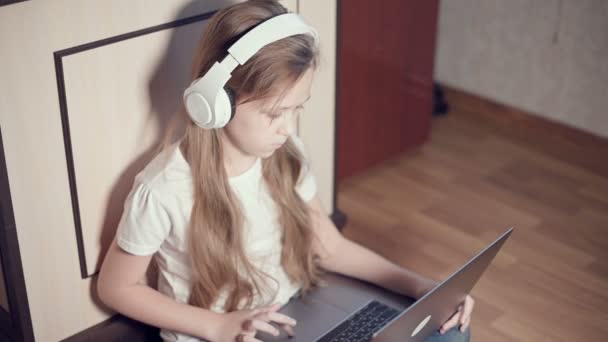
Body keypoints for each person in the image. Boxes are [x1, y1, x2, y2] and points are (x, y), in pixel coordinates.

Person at [96, 1, 474, 341]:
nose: (289, 129)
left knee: (450, 333)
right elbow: (117, 287)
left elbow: (328, 246)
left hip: (292, 315)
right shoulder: (163, 190)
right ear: (215, 104)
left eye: (298, 109)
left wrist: (419, 287)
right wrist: (218, 326)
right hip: (220, 334)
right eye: (275, 113)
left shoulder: (287, 154)